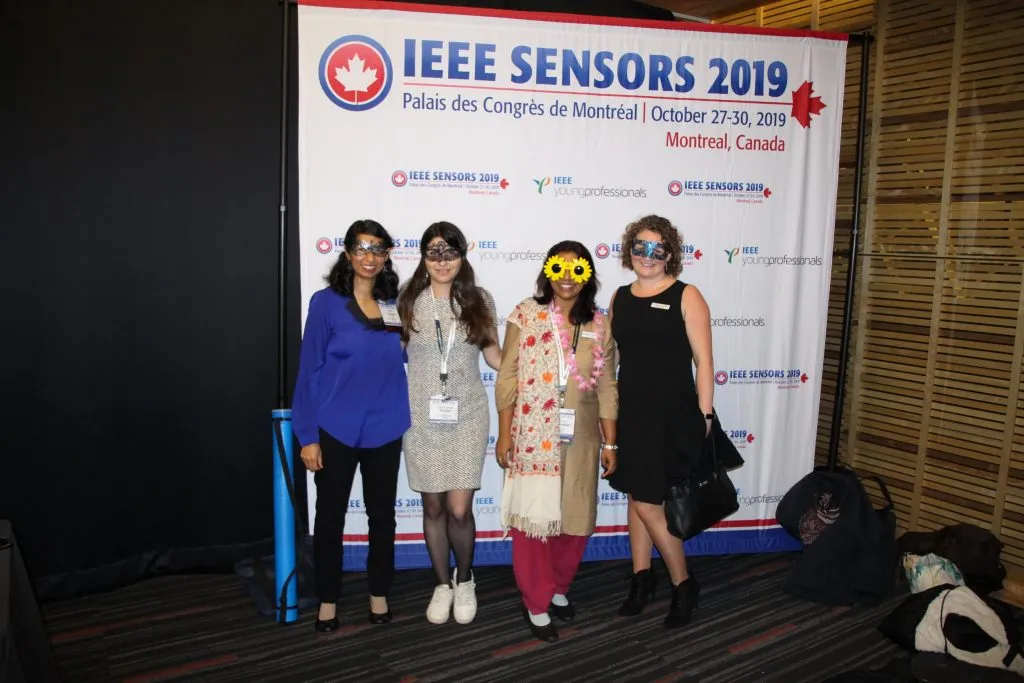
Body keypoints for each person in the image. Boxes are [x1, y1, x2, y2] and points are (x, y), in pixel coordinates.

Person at [495, 241, 618, 643]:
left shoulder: (600, 324)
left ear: (588, 275)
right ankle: (535, 600)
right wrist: (505, 431)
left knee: (575, 519)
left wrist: (611, 444)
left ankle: (558, 587)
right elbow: (508, 374)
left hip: (581, 435)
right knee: (535, 520)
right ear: (547, 272)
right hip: (533, 433)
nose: (567, 276)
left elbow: (607, 387)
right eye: (559, 267)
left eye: (577, 268)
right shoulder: (526, 314)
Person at [292, 219, 411, 633]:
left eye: (377, 248)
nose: (369, 256)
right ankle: (328, 598)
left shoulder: (393, 301)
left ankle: (379, 592)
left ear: (386, 255)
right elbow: (309, 370)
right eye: (361, 248)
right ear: (347, 253)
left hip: (385, 425)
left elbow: (402, 355)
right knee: (329, 519)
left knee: (383, 517)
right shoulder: (325, 303)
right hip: (336, 427)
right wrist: (307, 435)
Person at [607, 214, 713, 629]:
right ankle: (641, 579)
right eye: (640, 247)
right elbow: (611, 357)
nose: (647, 256)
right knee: (636, 497)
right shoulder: (620, 297)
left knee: (648, 503)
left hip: (672, 415)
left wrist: (706, 413)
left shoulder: (687, 295)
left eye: (657, 248)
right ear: (629, 250)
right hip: (631, 413)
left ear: (670, 253)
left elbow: (704, 361)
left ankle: (684, 583)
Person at [396, 221, 501, 625]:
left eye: (450, 252)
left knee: (459, 509)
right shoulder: (407, 300)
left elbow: (494, 356)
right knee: (433, 505)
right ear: (423, 256)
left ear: (461, 255)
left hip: (467, 415)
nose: (442, 261)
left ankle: (466, 578)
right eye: (434, 253)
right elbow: (391, 354)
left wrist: (533, 357)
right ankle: (442, 584)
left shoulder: (479, 300)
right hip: (420, 416)